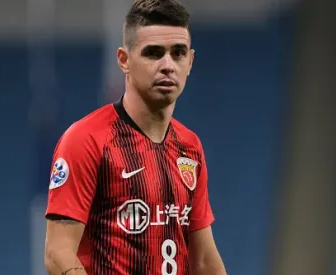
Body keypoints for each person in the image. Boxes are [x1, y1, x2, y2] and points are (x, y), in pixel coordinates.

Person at [44, 0, 227, 274]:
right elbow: (58, 253)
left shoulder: (190, 148)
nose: (168, 65)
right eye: (153, 53)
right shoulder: (86, 139)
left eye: (177, 53)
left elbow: (203, 259)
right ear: (124, 60)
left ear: (189, 62)